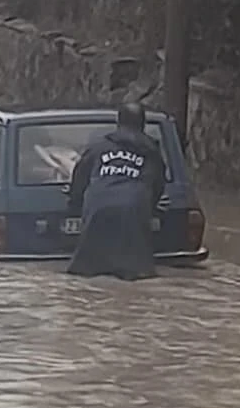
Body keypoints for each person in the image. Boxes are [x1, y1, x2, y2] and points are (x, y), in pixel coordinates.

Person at [66, 102, 167, 280]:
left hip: (98, 209)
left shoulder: (98, 147)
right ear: (142, 124)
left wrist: (74, 203)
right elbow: (158, 184)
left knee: (86, 273)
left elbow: (79, 178)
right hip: (134, 211)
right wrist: (152, 208)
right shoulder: (151, 152)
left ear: (118, 122)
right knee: (138, 275)